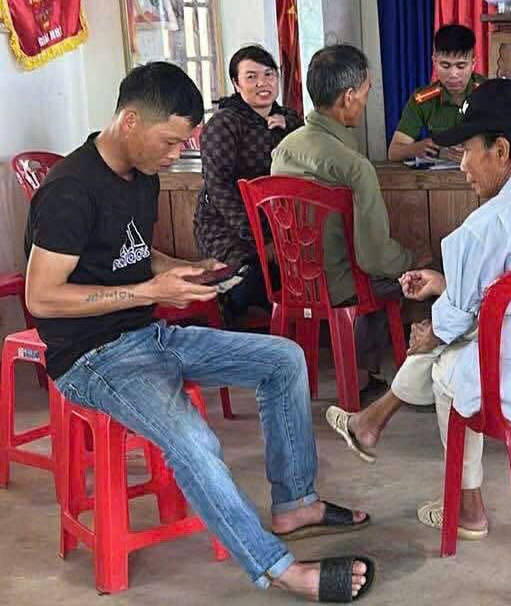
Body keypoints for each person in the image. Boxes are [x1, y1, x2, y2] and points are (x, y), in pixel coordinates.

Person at [24, 62, 373, 601]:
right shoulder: (70, 189)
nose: (173, 155)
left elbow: (132, 256)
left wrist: (180, 269)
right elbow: (42, 295)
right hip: (91, 358)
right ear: (131, 121)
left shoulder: (141, 177)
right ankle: (278, 568)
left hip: (148, 334)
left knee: (283, 359)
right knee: (192, 437)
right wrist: (149, 293)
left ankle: (295, 503)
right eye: (169, 142)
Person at [325, 78, 511, 540]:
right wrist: (446, 288)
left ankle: (468, 506)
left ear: (500, 150)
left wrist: (431, 335)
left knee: (446, 360)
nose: (461, 165)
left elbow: (454, 320)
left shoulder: (487, 223)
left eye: (466, 150)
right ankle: (371, 423)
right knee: (462, 344)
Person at [272, 45, 418, 396]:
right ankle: (377, 379)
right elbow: (375, 258)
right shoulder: (354, 167)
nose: (367, 100)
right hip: (341, 287)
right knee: (406, 277)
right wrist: (414, 260)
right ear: (348, 97)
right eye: (367, 92)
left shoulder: (283, 150)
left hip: (294, 282)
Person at [195, 45, 301, 320]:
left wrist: (289, 123)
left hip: (277, 222)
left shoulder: (285, 118)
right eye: (251, 77)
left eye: (269, 74)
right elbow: (218, 187)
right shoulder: (224, 124)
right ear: (236, 83)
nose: (262, 83)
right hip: (229, 224)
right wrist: (259, 238)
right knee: (251, 280)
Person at [387, 24, 486, 162]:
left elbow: (509, 146)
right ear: (434, 62)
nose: (453, 74)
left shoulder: (489, 93)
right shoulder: (423, 99)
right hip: (440, 179)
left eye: (461, 66)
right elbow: (393, 152)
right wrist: (417, 148)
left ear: (473, 63)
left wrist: (475, 151)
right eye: (445, 65)